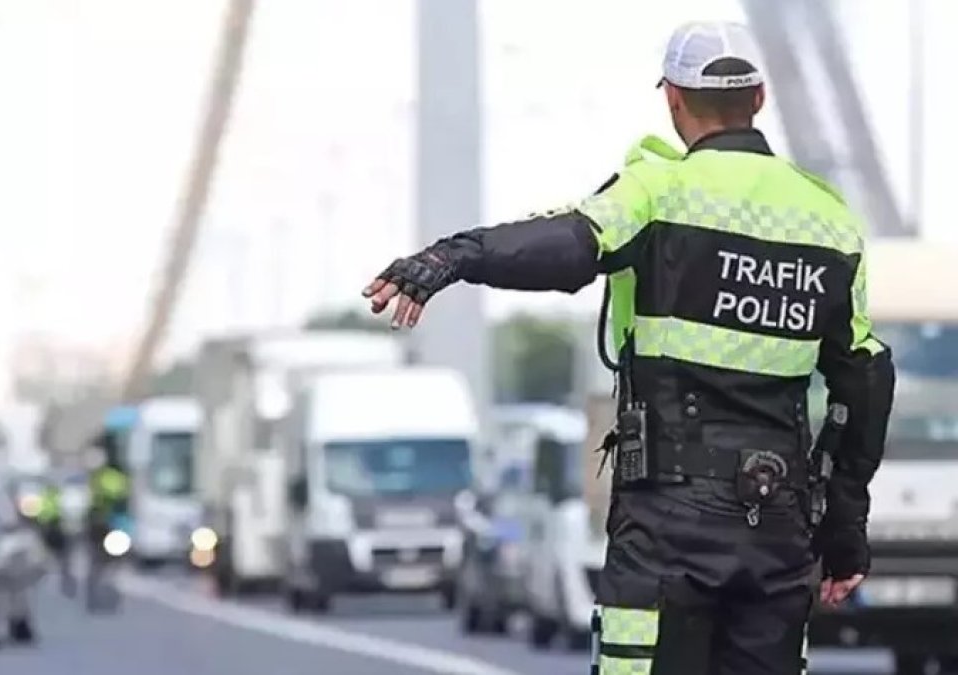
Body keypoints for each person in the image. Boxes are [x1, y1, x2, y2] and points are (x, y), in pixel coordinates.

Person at [361, 21, 895, 675]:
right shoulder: (830, 221)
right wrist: (845, 529)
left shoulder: (657, 191)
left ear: (673, 97)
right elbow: (866, 381)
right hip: (778, 530)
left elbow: (564, 246)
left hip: (669, 527)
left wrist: (453, 257)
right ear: (759, 97)